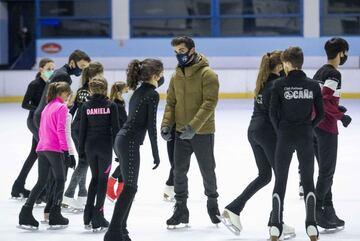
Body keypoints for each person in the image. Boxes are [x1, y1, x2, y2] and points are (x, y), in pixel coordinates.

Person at [219, 51, 294, 238]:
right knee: (281, 177)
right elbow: (276, 116)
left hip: (253, 131)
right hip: (267, 133)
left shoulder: (263, 83)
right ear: (279, 66)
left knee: (265, 175)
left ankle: (233, 208)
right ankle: (276, 223)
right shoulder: (277, 85)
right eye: (284, 64)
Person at [161, 36, 220, 227]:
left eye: (182, 51)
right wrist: (166, 124)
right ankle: (180, 210)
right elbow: (171, 103)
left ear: (192, 50)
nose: (179, 55)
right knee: (178, 171)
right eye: (176, 52)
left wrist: (193, 127)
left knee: (207, 170)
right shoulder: (175, 75)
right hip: (180, 132)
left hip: (202, 132)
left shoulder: (208, 74)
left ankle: (213, 204)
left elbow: (209, 103)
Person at [268, 47, 324, 241]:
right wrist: (309, 127)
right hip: (306, 137)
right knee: (308, 181)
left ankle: (275, 226)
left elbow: (272, 114)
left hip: (284, 136)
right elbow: (321, 114)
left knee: (280, 181)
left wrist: (281, 130)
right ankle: (311, 226)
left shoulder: (279, 84)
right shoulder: (313, 85)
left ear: (287, 64)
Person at [104, 58, 163, 241]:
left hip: (122, 140)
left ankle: (122, 230)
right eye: (161, 74)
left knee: (130, 187)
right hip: (129, 142)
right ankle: (113, 232)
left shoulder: (138, 91)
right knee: (130, 188)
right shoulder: (152, 94)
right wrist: (156, 153)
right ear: (154, 75)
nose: (162, 78)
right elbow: (152, 126)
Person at [18, 82, 73, 230]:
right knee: (60, 179)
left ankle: (26, 212)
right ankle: (55, 214)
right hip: (54, 148)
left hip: (42, 147)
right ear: (61, 94)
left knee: (41, 181)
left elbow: (42, 129)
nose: (68, 96)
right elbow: (61, 130)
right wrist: (66, 150)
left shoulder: (47, 107)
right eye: (67, 93)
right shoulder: (61, 107)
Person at [313, 37, 351, 230]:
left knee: (324, 173)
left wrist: (338, 107)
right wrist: (340, 116)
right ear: (341, 52)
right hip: (326, 127)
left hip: (313, 128)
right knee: (327, 172)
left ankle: (329, 210)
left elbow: (320, 97)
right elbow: (324, 100)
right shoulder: (334, 74)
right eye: (346, 52)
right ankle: (317, 210)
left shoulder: (320, 70)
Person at [78, 77, 120, 231]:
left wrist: (81, 150)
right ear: (104, 89)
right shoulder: (111, 105)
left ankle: (87, 216)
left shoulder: (85, 106)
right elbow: (116, 131)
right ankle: (98, 216)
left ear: (91, 89)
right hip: (104, 148)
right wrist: (118, 151)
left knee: (95, 178)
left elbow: (82, 130)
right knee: (103, 180)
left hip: (90, 146)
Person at [11, 58, 55, 199]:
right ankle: (44, 191)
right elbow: (25, 104)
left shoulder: (51, 85)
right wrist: (40, 110)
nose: (51, 71)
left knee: (34, 154)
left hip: (44, 124)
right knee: (46, 153)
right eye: (48, 68)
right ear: (41, 69)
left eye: (53, 69)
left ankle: (17, 186)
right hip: (33, 122)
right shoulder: (35, 84)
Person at [63, 61, 104, 209]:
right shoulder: (88, 92)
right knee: (84, 161)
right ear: (94, 75)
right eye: (100, 74)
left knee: (84, 160)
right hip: (82, 130)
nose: (102, 76)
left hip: (78, 128)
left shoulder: (82, 90)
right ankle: (68, 194)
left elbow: (74, 109)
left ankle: (82, 193)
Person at [33, 49, 91, 130]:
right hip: (46, 119)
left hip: (41, 116)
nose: (83, 70)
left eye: (86, 68)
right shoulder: (64, 76)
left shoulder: (59, 72)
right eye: (82, 66)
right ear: (72, 63)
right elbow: (57, 102)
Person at [106, 81, 129, 202]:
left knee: (123, 161)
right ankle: (111, 182)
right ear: (120, 90)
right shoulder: (115, 104)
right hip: (117, 136)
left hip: (121, 134)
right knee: (125, 162)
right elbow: (122, 120)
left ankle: (120, 191)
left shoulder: (120, 101)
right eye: (126, 87)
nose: (128, 88)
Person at [163, 126, 176, 202]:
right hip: (171, 131)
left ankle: (171, 187)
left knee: (178, 163)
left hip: (185, 129)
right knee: (174, 163)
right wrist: (163, 128)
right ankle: (178, 187)